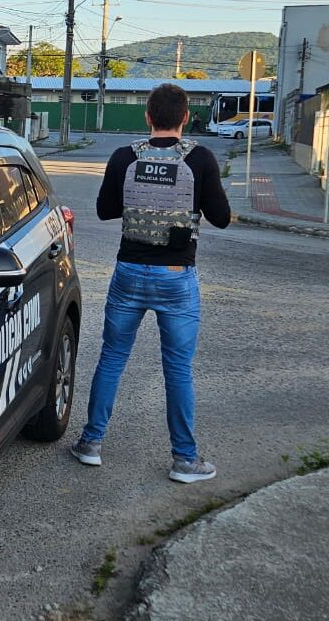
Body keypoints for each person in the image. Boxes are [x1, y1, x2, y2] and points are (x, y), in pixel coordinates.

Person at [70, 83, 231, 483]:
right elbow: (222, 217)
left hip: (128, 272)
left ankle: (91, 443)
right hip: (177, 278)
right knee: (177, 369)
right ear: (184, 117)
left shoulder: (126, 157)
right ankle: (184, 460)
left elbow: (106, 210)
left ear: (147, 117)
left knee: (112, 358)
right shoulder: (201, 159)